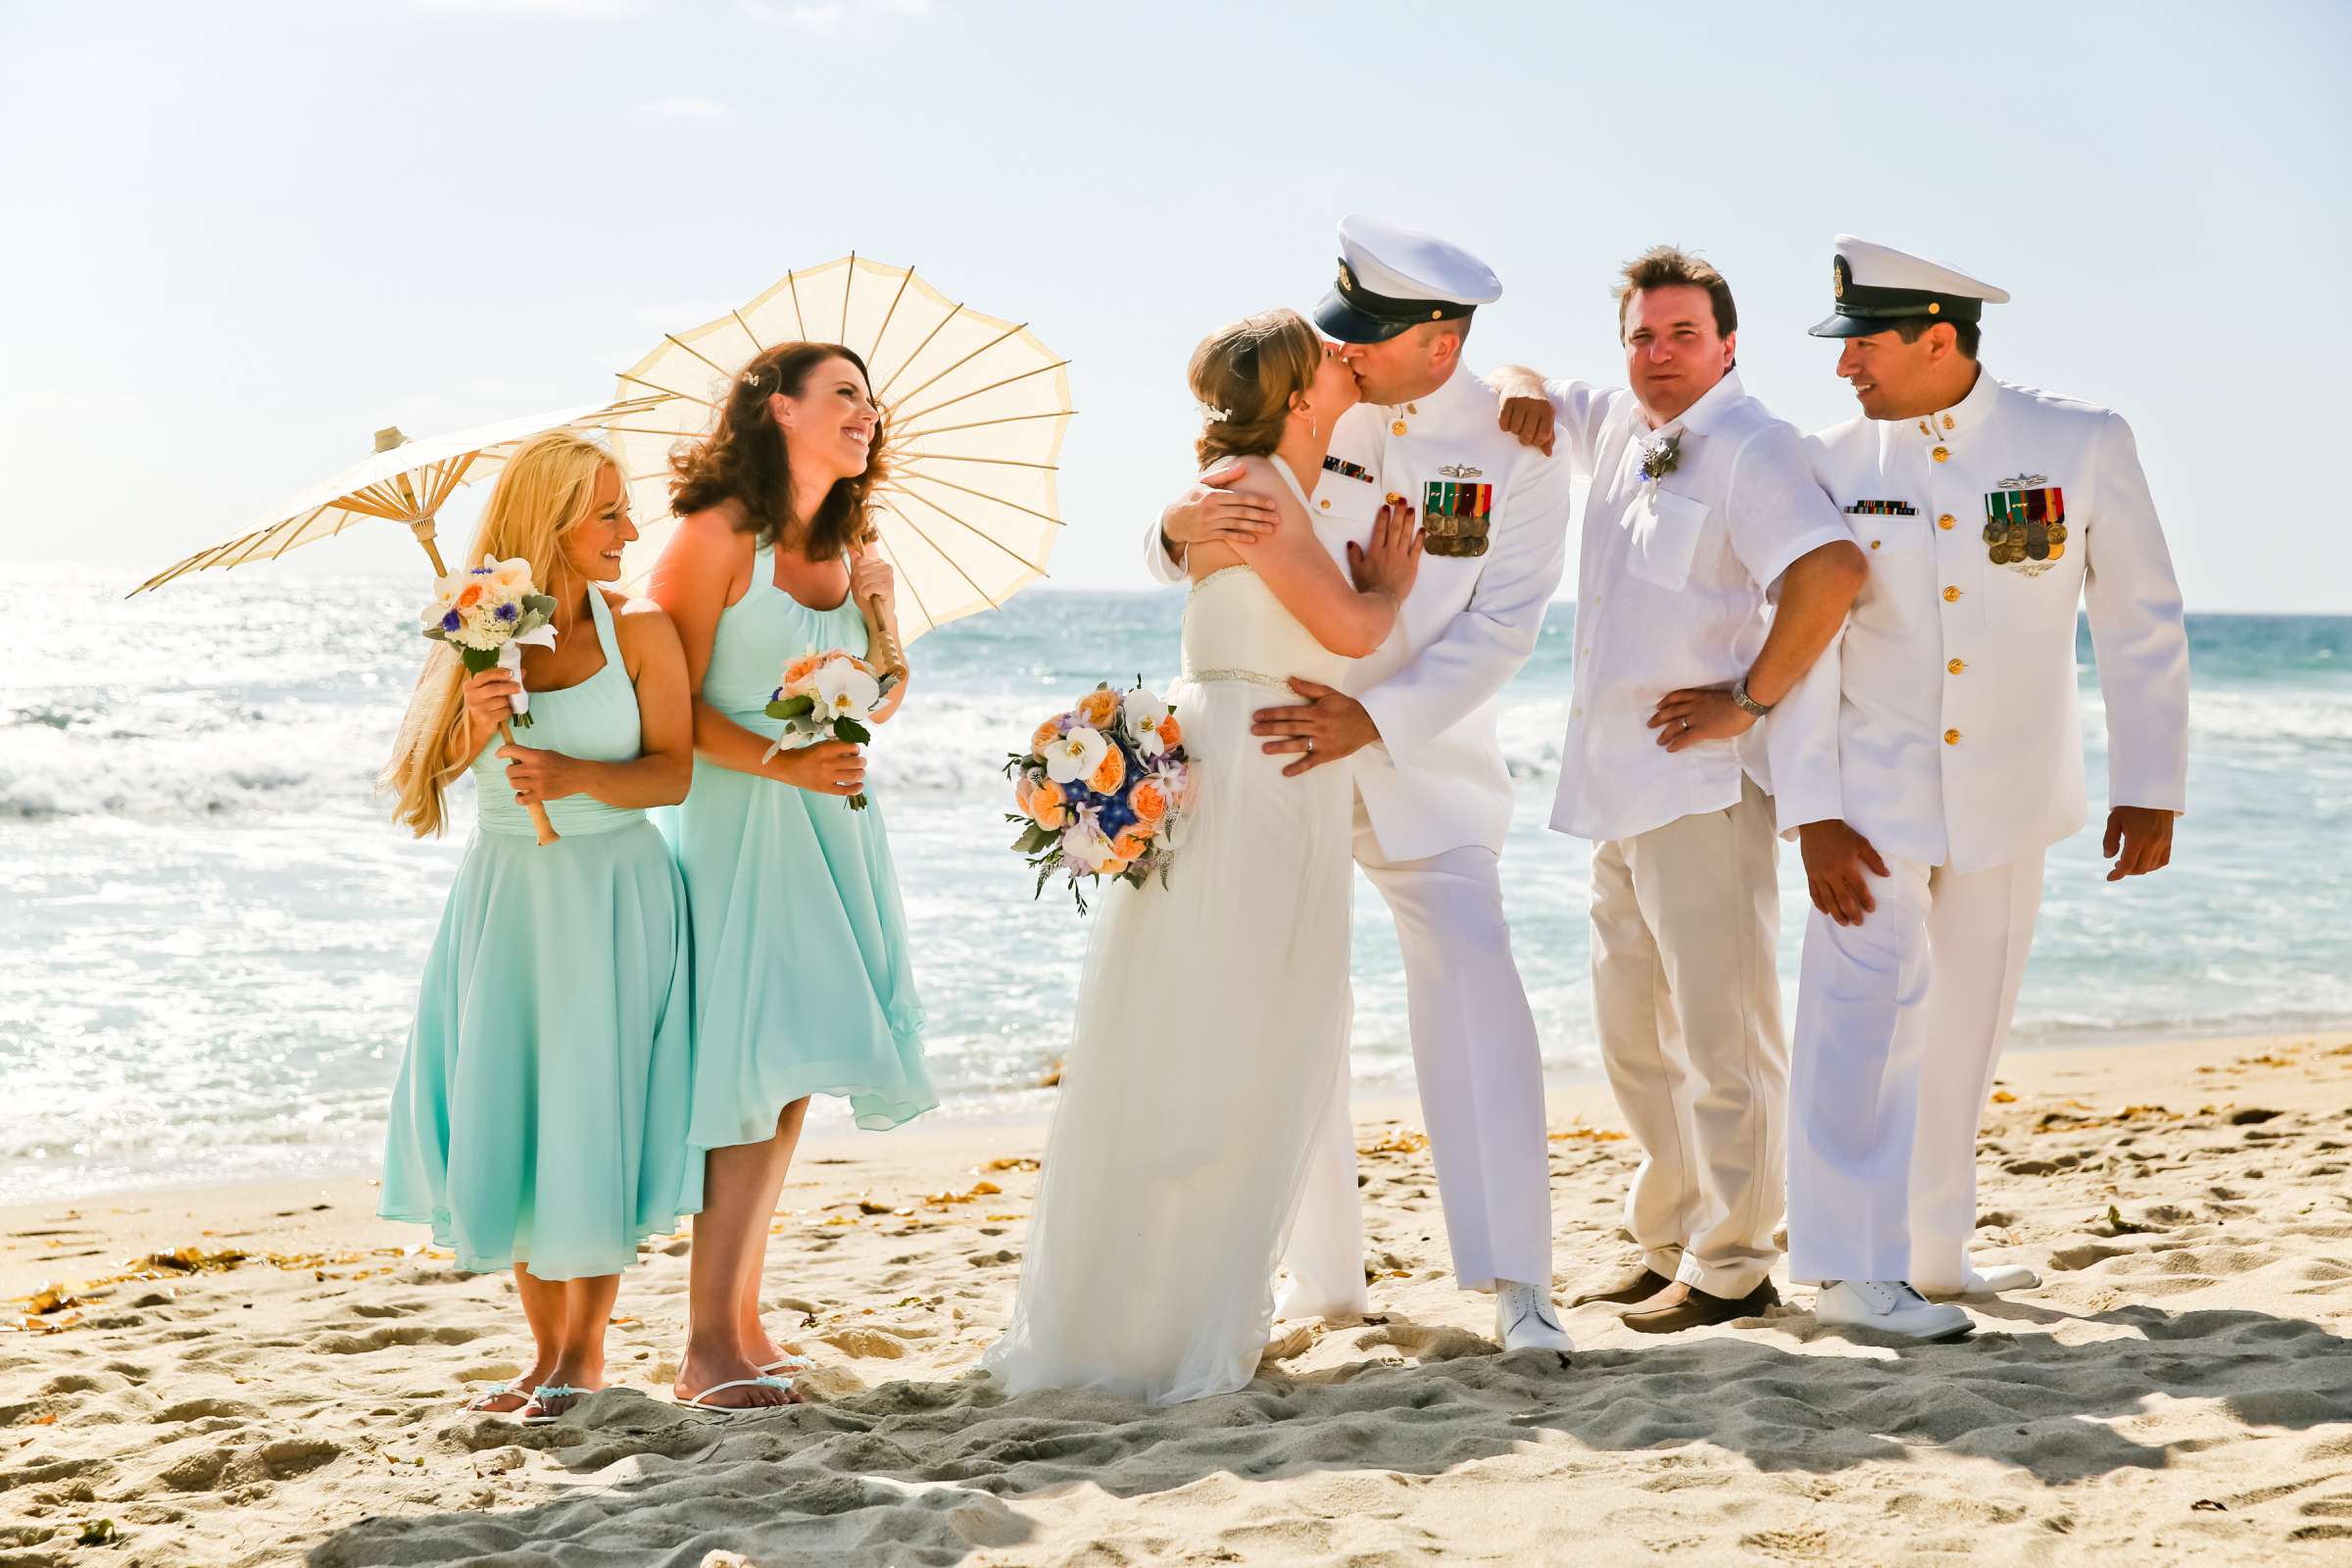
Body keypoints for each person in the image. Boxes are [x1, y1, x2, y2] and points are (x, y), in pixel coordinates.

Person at [983, 308, 1424, 1402]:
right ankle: (1183, 1314)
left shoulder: (1260, 482)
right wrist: (1391, 585)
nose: (1343, 353)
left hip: (1258, 764)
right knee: (1244, 1033)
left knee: (1218, 1024)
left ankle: (1183, 1294)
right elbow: (1357, 632)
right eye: (1325, 353)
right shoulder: (1262, 489)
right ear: (1297, 387)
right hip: (1262, 778)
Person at [1153, 216, 1577, 1352]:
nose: (1339, 349)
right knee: (1296, 1007)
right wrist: (1168, 525)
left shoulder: (1519, 448)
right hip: (1280, 746)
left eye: (1366, 334)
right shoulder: (1315, 394)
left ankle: (1517, 1283)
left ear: (1439, 342)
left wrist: (1376, 719)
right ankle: (1320, 1280)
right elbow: (1222, 498)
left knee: (1476, 990)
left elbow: (1503, 631)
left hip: (1420, 762)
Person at [1771, 236, 2190, 1339]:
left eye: (1862, 343)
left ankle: (1932, 1251)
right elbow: (1802, 644)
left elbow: (2140, 617)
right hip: (1869, 794)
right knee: (1859, 1024)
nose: (1844, 367)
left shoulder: (2079, 441)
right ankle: (1852, 1268)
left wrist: (2152, 782)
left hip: (2011, 793)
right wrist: (1807, 806)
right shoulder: (1825, 460)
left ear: (1937, 339)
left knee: (1966, 1025)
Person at [1492, 246, 1867, 1333]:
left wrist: (1750, 698)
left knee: (1724, 1035)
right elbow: (1523, 387)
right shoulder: (1617, 421)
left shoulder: (1755, 447)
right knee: (1634, 1039)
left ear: (1728, 344)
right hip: (1615, 788)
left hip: (1703, 787)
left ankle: (1737, 1259)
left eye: (1683, 335)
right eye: (1643, 336)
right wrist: (1518, 383)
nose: (1660, 354)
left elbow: (1832, 573)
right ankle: (1671, 1239)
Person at [377, 431, 700, 1423]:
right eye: (607, 512)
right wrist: (474, 718)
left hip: (614, 898)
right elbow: (422, 789)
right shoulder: (475, 635)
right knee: (519, 1110)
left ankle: (581, 1358)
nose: (630, 530)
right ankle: (542, 1353)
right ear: (548, 519)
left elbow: (674, 772)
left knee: (589, 1111)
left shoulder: (641, 627)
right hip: (510, 900)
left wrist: (576, 776)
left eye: (623, 509)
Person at [649, 342, 937, 1410]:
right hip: (740, 822)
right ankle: (704, 1349)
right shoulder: (715, 535)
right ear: (779, 409)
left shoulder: (851, 542)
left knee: (790, 1079)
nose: (866, 412)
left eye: (871, 397)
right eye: (844, 394)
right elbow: (662, 703)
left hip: (832, 820)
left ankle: (743, 1324)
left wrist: (881, 610)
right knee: (746, 1071)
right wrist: (784, 759)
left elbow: (879, 696)